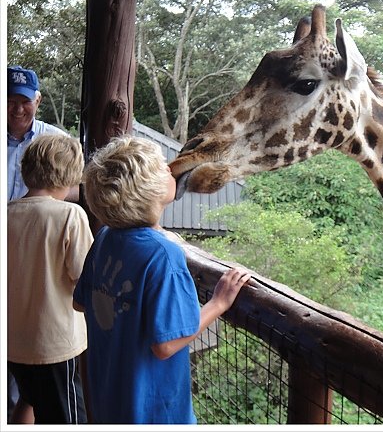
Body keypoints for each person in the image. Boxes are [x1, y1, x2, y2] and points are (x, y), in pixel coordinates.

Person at [73, 136, 250, 424]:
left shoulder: (106, 237)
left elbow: (80, 303)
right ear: (149, 191)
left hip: (109, 399)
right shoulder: (164, 256)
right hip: (154, 413)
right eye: (162, 169)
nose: (170, 170)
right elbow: (166, 344)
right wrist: (219, 303)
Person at [7, 134, 93, 424]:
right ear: (70, 177)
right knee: (67, 420)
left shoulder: (7, 214)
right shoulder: (71, 216)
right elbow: (85, 281)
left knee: (28, 398)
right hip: (54, 345)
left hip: (13, 342)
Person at [7, 65, 76, 201]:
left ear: (37, 101)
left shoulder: (58, 141)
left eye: (26, 101)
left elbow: (79, 187)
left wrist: (44, 198)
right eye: (11, 102)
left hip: (40, 221)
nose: (18, 109)